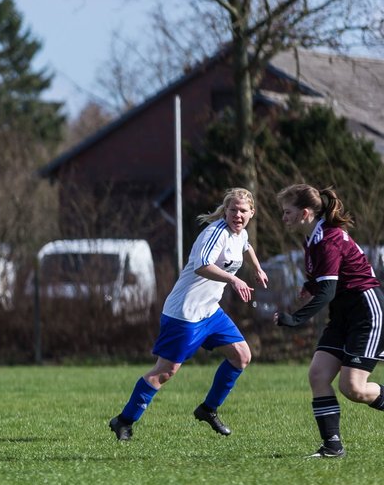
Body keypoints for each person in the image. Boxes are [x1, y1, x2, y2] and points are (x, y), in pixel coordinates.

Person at [109, 188, 268, 441]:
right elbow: (202, 266)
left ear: (252, 213)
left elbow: (246, 245)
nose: (238, 215)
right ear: (225, 211)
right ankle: (124, 420)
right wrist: (234, 280)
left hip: (210, 311)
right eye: (233, 210)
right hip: (184, 313)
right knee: (165, 371)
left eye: (243, 211)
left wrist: (257, 268)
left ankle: (208, 409)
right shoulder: (215, 233)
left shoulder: (241, 233)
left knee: (241, 356)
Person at [273, 184, 384, 458]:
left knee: (353, 388)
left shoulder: (327, 238)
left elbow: (329, 291)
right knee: (318, 375)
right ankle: (332, 446)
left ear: (305, 213)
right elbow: (326, 277)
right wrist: (310, 284)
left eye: (287, 212)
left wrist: (295, 319)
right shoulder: (311, 238)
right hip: (343, 315)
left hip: (366, 312)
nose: (283, 217)